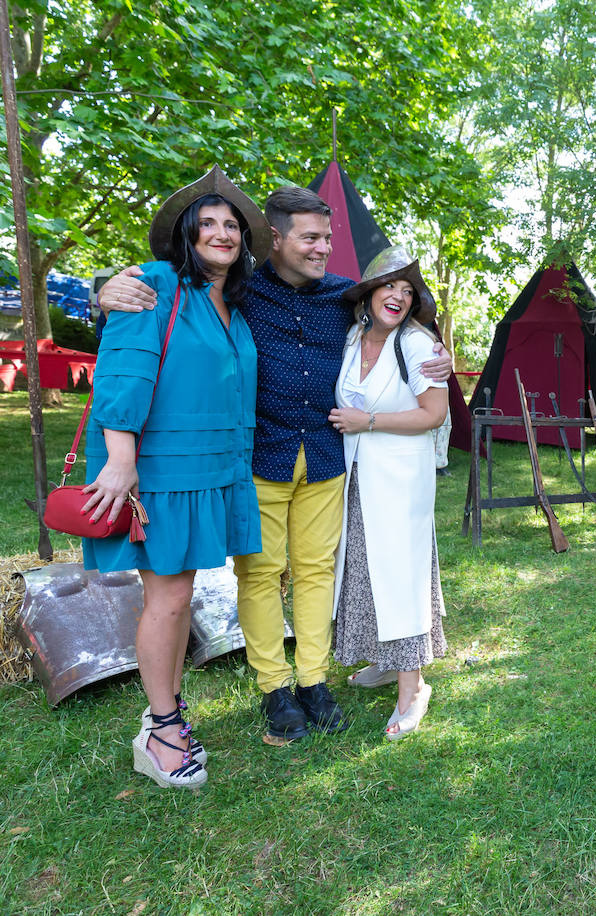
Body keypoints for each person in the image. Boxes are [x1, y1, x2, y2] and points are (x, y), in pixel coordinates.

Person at [97, 187, 453, 743]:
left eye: (327, 239)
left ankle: (313, 679)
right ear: (278, 239)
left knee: (316, 571)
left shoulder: (342, 296)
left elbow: (397, 315)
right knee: (260, 573)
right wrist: (106, 290)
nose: (322, 250)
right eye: (310, 238)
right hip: (260, 453)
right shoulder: (240, 290)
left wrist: (435, 351)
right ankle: (274, 688)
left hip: (327, 457)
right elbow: (171, 294)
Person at [82, 166, 266, 787]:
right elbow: (124, 368)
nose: (222, 233)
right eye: (207, 224)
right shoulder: (153, 283)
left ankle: (169, 715)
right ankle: (160, 731)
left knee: (180, 594)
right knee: (169, 596)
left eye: (231, 225)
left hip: (211, 468)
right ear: (186, 237)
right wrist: (121, 458)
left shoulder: (233, 304)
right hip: (157, 470)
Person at [327, 247, 449, 739]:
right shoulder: (354, 337)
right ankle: (382, 659)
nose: (398, 295)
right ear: (369, 293)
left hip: (400, 482)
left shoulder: (418, 345)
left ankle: (413, 687)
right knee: (362, 567)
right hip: (356, 477)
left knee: (399, 576)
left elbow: (433, 415)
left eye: (407, 290)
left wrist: (367, 421)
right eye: (390, 286)